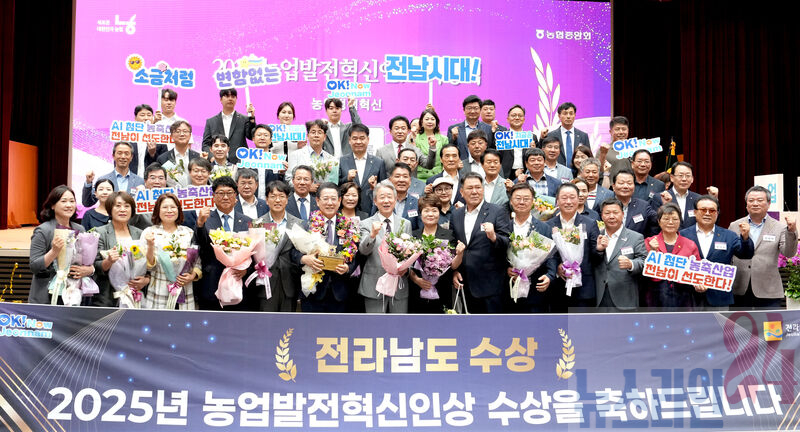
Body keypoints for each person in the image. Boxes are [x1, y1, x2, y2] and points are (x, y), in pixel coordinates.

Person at [451, 172, 512, 313]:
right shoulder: (456, 214)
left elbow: (507, 242)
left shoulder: (497, 211)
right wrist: (455, 271)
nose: (474, 191)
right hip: (465, 283)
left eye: (478, 187)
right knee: (470, 325)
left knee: (493, 326)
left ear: (483, 189)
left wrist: (494, 236)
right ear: (461, 192)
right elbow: (454, 245)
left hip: (491, 285)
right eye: (470, 188)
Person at [680, 195, 754, 310]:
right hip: (689, 297)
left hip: (719, 297)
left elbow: (746, 254)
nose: (707, 213)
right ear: (695, 212)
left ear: (717, 213)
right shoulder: (682, 235)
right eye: (703, 210)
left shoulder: (729, 236)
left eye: (712, 210)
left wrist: (745, 238)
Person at [729, 186, 798, 309]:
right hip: (739, 288)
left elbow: (788, 253)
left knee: (769, 322)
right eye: (751, 200)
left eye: (760, 200)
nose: (755, 203)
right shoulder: (735, 225)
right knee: (739, 322)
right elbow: (729, 255)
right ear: (746, 204)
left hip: (768, 290)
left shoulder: (779, 227)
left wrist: (792, 231)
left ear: (768, 204)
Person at [296, 182, 359, 312]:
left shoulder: (349, 226)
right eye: (325, 199)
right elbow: (292, 252)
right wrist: (304, 259)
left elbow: (357, 255)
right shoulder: (306, 225)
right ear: (317, 201)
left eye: (333, 199)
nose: (330, 203)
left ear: (339, 201)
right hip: (313, 290)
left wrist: (348, 268)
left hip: (340, 292)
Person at [194, 176, 254, 311]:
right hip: (212, 283)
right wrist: (200, 224)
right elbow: (199, 245)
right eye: (221, 193)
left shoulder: (247, 221)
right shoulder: (205, 219)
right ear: (213, 197)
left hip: (239, 284)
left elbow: (255, 254)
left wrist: (246, 270)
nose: (225, 197)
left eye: (229, 193)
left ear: (236, 196)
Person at [29, 186, 94, 304]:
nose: (69, 205)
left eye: (72, 201)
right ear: (52, 205)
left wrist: (89, 269)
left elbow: (86, 261)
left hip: (74, 295)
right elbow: (34, 266)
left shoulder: (80, 229)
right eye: (63, 201)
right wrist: (53, 252)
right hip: (48, 297)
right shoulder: (43, 230)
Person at [357, 182, 413, 313]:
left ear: (395, 199)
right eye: (382, 197)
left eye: (389, 197)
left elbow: (410, 253)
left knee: (398, 324)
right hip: (374, 284)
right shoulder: (366, 224)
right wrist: (372, 235)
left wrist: (406, 269)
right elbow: (363, 251)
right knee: (375, 324)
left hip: (399, 284)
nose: (386, 201)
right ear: (375, 201)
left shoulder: (405, 223)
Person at [141, 193, 201, 310]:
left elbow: (197, 261)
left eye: (173, 207)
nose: (169, 210)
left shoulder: (188, 233)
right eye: (165, 207)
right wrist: (150, 245)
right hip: (159, 291)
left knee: (184, 321)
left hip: (185, 291)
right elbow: (148, 267)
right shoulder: (149, 232)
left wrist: (192, 275)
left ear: (178, 210)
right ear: (158, 210)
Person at [547, 183, 602, 311]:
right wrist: (557, 267)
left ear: (578, 199)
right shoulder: (549, 225)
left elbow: (595, 259)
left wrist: (599, 250)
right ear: (557, 200)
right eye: (564, 198)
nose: (568, 201)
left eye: (572, 197)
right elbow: (547, 255)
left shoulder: (590, 224)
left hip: (584, 290)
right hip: (557, 289)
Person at [408, 193, 463, 314]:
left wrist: (460, 254)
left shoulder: (449, 235)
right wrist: (416, 279)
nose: (430, 214)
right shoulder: (413, 236)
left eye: (434, 210)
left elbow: (453, 266)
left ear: (439, 213)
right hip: (417, 290)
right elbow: (407, 264)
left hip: (442, 289)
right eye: (426, 210)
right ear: (420, 214)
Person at [506, 182, 557, 313]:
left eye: (526, 198)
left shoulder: (544, 228)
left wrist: (550, 275)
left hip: (536, 290)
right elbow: (496, 254)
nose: (522, 202)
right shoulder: (504, 227)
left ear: (533, 201)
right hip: (508, 289)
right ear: (511, 201)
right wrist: (506, 269)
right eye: (518, 198)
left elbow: (551, 255)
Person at [94, 191, 147, 307]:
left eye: (127, 206)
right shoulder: (100, 233)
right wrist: (108, 261)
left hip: (136, 294)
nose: (123, 210)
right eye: (118, 206)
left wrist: (146, 280)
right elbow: (95, 266)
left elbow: (147, 264)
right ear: (110, 209)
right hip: (108, 296)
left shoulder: (140, 234)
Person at [644, 203, 702, 310]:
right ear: (659, 221)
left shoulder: (690, 244)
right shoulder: (649, 242)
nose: (670, 222)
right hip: (656, 296)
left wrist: (700, 284)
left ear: (680, 221)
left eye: (675, 219)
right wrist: (652, 251)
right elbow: (643, 270)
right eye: (666, 219)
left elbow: (698, 272)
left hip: (683, 296)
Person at [594, 198, 647, 311]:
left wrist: (631, 264)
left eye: (615, 212)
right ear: (601, 216)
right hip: (598, 296)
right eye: (607, 213)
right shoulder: (596, 236)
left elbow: (644, 261)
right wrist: (599, 251)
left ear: (623, 214)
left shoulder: (635, 237)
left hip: (624, 297)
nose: (611, 216)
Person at [259, 180, 304, 312]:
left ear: (287, 200)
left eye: (281, 196)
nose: (277, 200)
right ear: (267, 200)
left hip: (290, 282)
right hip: (265, 283)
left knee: (287, 322)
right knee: (266, 322)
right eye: (273, 196)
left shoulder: (299, 224)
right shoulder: (258, 223)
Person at [338, 124, 386, 214]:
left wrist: (374, 187)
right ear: (349, 140)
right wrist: (347, 179)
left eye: (362, 138)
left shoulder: (378, 162)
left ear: (368, 140)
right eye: (355, 138)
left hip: (371, 210)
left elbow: (383, 188)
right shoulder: (341, 161)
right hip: (347, 212)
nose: (358, 142)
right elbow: (336, 186)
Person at [657, 161, 719, 229]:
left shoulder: (698, 199)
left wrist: (714, 199)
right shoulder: (660, 197)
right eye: (680, 175)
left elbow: (711, 222)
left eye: (688, 176)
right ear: (672, 178)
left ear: (692, 179)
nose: (684, 179)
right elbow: (655, 225)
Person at [82, 142, 145, 207]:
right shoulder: (103, 180)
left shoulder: (140, 181)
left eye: (126, 154)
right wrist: (88, 182)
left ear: (131, 157)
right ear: (113, 156)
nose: (123, 157)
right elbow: (87, 203)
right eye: (119, 153)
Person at [202, 88, 256, 163]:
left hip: (239, 162)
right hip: (217, 163)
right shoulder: (211, 121)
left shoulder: (244, 119)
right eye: (227, 96)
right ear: (221, 99)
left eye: (233, 96)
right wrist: (212, 157)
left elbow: (251, 136)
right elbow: (205, 144)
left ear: (236, 99)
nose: (230, 99)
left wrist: (251, 118)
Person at [287, 120, 337, 186]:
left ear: (324, 137)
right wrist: (307, 186)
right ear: (307, 136)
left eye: (319, 132)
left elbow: (333, 182)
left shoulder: (331, 159)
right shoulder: (296, 155)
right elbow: (288, 179)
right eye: (313, 132)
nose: (316, 135)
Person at [611, 169, 659, 237]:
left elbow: (659, 221)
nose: (625, 186)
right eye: (621, 183)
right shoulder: (605, 205)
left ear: (634, 186)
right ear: (613, 186)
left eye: (629, 183)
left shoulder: (643, 206)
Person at [504, 105, 546, 179]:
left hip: (527, 173)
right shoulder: (501, 137)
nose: (517, 118)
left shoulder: (531, 137)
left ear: (524, 119)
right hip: (506, 174)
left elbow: (539, 155)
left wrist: (533, 150)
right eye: (513, 115)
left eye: (520, 116)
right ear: (508, 119)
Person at [447, 95, 495, 161]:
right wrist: (453, 138)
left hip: (482, 165)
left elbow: (492, 150)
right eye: (469, 108)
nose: (472, 111)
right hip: (462, 166)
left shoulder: (488, 128)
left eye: (475, 108)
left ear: (480, 110)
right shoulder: (453, 129)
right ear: (464, 110)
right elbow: (449, 150)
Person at [545, 102, 590, 168]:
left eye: (571, 113)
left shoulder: (583, 136)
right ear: (559, 116)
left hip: (578, 172)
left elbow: (588, 157)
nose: (568, 116)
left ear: (575, 115)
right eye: (565, 113)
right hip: (557, 171)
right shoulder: (551, 135)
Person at [157, 121, 201, 187]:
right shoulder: (163, 159)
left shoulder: (198, 157)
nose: (182, 134)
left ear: (190, 135)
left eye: (185, 131)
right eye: (178, 131)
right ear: (171, 136)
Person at [131, 104, 168, 176]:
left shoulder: (160, 139)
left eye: (149, 115)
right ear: (135, 118)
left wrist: (152, 154)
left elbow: (164, 164)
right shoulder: (127, 139)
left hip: (152, 179)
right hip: (131, 178)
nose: (146, 118)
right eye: (142, 115)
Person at [130, 162, 168, 230]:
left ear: (165, 181)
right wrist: (138, 199)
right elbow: (130, 221)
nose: (157, 182)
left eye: (161, 178)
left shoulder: (172, 198)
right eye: (153, 178)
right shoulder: (137, 197)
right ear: (145, 181)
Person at [250, 124, 284, 200]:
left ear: (270, 140)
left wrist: (282, 173)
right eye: (259, 135)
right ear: (253, 139)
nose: (262, 138)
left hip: (271, 201)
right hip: (250, 200)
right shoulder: (245, 159)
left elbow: (281, 185)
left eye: (266, 135)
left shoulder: (277, 160)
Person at [383, 162, 421, 230]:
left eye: (405, 176)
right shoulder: (382, 201)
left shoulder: (417, 203)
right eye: (397, 176)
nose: (401, 180)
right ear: (390, 180)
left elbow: (420, 229)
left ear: (410, 181)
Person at [415, 108, 448, 181]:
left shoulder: (444, 139)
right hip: (421, 177)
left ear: (436, 122)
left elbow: (445, 158)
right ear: (421, 122)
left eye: (432, 119)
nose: (430, 121)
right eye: (427, 119)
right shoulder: (416, 138)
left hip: (438, 176)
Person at [596, 116, 633, 182]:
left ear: (628, 131)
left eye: (624, 129)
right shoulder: (603, 150)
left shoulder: (636, 149)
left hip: (631, 186)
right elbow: (597, 171)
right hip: (610, 186)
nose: (621, 132)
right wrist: (603, 154)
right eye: (617, 129)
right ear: (610, 132)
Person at [181, 158, 214, 230]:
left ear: (209, 173)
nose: (199, 175)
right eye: (196, 171)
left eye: (203, 171)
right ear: (190, 172)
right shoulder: (182, 194)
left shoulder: (215, 193)